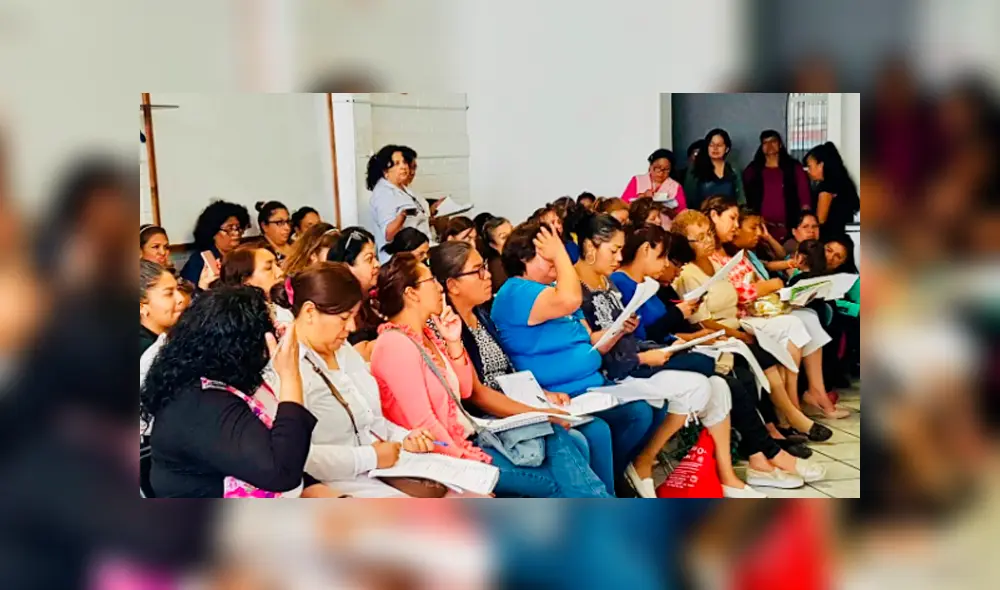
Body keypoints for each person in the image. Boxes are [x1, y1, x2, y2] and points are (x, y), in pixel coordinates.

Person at [369, 254, 609, 498]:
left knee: (555, 435)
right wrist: (467, 463)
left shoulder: (428, 335)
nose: (439, 287)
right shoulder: (395, 345)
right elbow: (424, 423)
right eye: (431, 281)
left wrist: (453, 343)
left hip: (468, 437)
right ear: (411, 293)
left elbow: (463, 390)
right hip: (446, 455)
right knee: (554, 480)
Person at [573, 213, 770, 498]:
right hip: (618, 371)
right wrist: (642, 353)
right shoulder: (581, 289)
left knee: (717, 387)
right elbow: (593, 345)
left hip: (632, 359)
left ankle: (726, 475)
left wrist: (637, 336)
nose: (618, 256)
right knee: (698, 385)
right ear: (591, 248)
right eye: (613, 250)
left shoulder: (608, 284)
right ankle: (642, 462)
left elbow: (627, 335)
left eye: (620, 249)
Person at [490, 221, 687, 495]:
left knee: (652, 409)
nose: (555, 262)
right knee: (603, 428)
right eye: (547, 255)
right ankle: (608, 494)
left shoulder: (554, 289)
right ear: (525, 259)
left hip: (591, 383)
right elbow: (571, 300)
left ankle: (614, 479)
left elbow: (589, 339)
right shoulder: (516, 291)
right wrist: (561, 254)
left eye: (555, 254)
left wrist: (616, 331)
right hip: (559, 392)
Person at [613, 225, 819, 473]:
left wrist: (685, 333)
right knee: (729, 374)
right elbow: (641, 334)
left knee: (737, 373)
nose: (666, 264)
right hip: (651, 357)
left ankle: (762, 449)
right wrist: (681, 320)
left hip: (667, 347)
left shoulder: (646, 284)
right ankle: (765, 450)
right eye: (662, 257)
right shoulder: (622, 284)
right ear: (645, 250)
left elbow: (653, 331)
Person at [430, 241, 618, 496]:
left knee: (592, 431)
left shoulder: (481, 314)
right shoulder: (447, 328)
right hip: (487, 420)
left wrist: (542, 394)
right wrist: (538, 412)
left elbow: (507, 372)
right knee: (568, 440)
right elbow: (477, 394)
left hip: (511, 405)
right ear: (452, 285)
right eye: (477, 271)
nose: (488, 276)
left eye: (485, 267)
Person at [269, 262, 446, 497]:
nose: (351, 328)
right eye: (344, 318)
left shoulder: (344, 352)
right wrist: (370, 457)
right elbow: (298, 456)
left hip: (384, 469)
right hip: (336, 485)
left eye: (353, 316)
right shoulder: (287, 368)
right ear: (310, 312)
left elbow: (369, 421)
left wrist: (405, 438)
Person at [670, 209, 834, 443]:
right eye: (701, 237)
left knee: (777, 349)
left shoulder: (715, 264)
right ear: (685, 243)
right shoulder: (687, 274)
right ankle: (786, 423)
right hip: (719, 333)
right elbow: (703, 320)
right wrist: (739, 334)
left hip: (738, 325)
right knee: (763, 357)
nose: (708, 241)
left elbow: (733, 298)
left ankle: (786, 421)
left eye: (709, 234)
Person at [142, 285, 321, 498]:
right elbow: (282, 472)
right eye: (270, 328)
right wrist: (290, 375)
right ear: (244, 344)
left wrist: (315, 487)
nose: (278, 331)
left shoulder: (225, 381)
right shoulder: (198, 404)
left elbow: (280, 445)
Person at [706, 197, 849, 421]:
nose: (756, 233)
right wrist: (773, 286)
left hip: (760, 306)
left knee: (811, 316)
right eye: (749, 226)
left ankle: (814, 392)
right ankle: (793, 406)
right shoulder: (723, 256)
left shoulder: (742, 254)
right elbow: (736, 291)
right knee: (797, 322)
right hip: (746, 314)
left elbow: (765, 267)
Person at [742, 130, 812, 242]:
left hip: (790, 227)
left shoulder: (793, 168)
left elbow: (804, 196)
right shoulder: (753, 170)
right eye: (765, 143)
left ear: (780, 145)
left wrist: (805, 222)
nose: (769, 145)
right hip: (760, 228)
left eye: (773, 141)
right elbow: (745, 196)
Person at [368, 145, 432, 262]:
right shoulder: (383, 194)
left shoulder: (404, 189)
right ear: (385, 171)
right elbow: (388, 234)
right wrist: (402, 216)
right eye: (397, 164)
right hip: (401, 260)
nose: (403, 167)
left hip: (421, 251)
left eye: (404, 162)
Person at [327, 227, 383, 360]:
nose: (377, 264)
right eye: (369, 259)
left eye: (375, 258)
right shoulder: (340, 306)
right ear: (346, 267)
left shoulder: (369, 300)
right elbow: (360, 353)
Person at [178, 200, 250, 285]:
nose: (236, 233)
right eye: (230, 229)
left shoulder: (244, 255)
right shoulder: (200, 261)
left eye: (238, 228)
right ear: (213, 233)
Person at [803, 142, 861, 239]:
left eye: (809, 166)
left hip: (829, 238)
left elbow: (820, 219)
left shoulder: (827, 187)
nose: (808, 171)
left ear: (821, 165)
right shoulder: (842, 182)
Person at [684, 128, 745, 211]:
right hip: (702, 218)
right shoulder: (695, 168)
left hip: (728, 218)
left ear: (726, 149)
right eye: (711, 145)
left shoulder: (733, 169)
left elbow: (741, 199)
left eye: (719, 145)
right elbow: (688, 198)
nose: (715, 148)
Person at [620, 149, 688, 220]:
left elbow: (683, 215)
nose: (661, 173)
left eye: (666, 170)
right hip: (639, 226)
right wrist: (642, 197)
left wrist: (668, 211)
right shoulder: (637, 180)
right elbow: (623, 206)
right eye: (657, 168)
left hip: (665, 228)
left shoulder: (675, 186)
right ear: (650, 166)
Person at [139, 260, 186, 356]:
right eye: (169, 294)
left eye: (178, 289)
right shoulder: (148, 353)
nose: (181, 298)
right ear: (141, 307)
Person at [254, 201, 294, 266]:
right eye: (280, 222)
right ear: (264, 226)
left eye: (288, 222)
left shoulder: (297, 244)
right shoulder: (259, 252)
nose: (287, 228)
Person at [481, 216, 513, 293]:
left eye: (513, 232)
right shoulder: (497, 268)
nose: (512, 238)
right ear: (493, 245)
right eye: (504, 237)